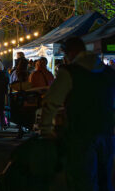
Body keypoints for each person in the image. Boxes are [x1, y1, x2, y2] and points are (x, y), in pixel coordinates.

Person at [40, 37, 114, 191]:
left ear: (71, 52)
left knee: (82, 181)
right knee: (104, 180)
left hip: (80, 134)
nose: (65, 58)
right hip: (106, 134)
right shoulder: (108, 73)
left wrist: (46, 129)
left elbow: (51, 102)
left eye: (65, 54)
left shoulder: (69, 72)